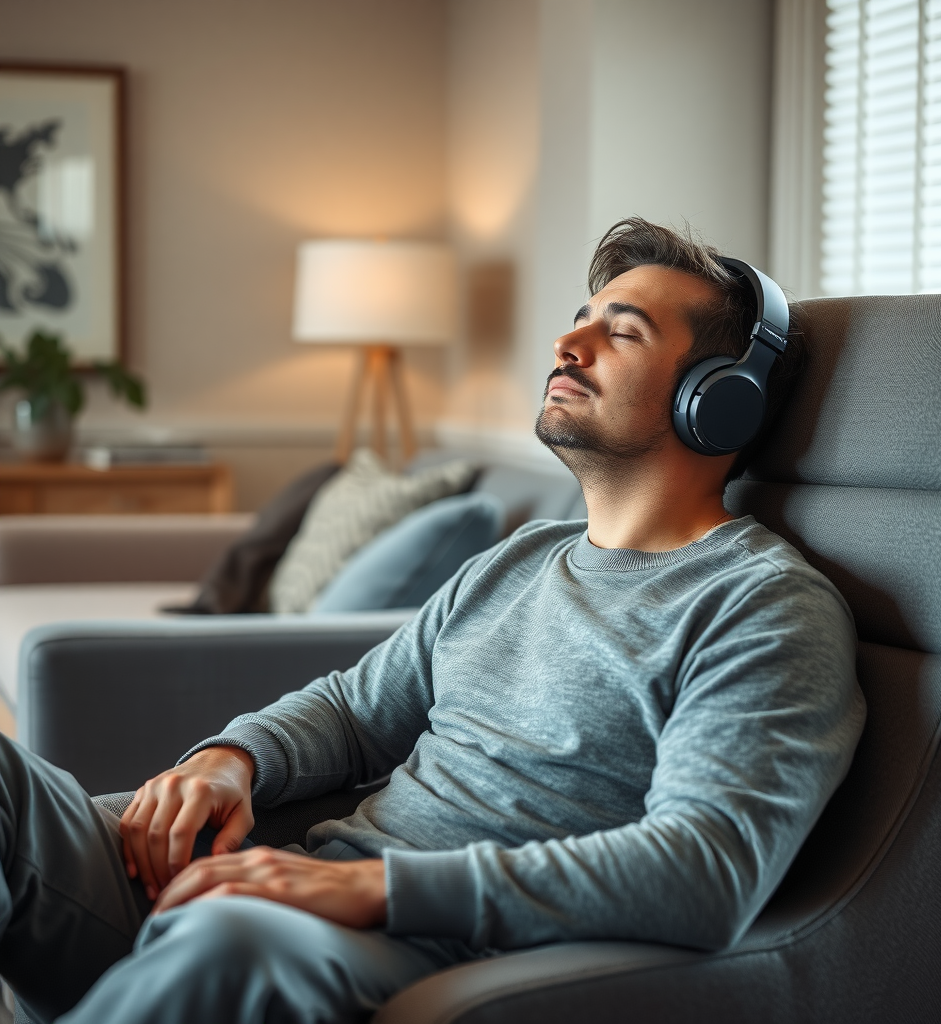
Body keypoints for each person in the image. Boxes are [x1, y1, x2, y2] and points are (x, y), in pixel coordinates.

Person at [0, 218, 865, 1023]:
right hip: (291, 885)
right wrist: (233, 758)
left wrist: (372, 892)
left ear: (718, 402)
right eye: (579, 321)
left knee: (227, 941)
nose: (568, 345)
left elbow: (704, 871)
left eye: (622, 332)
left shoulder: (761, 608)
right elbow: (351, 710)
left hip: (425, 946)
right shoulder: (519, 560)